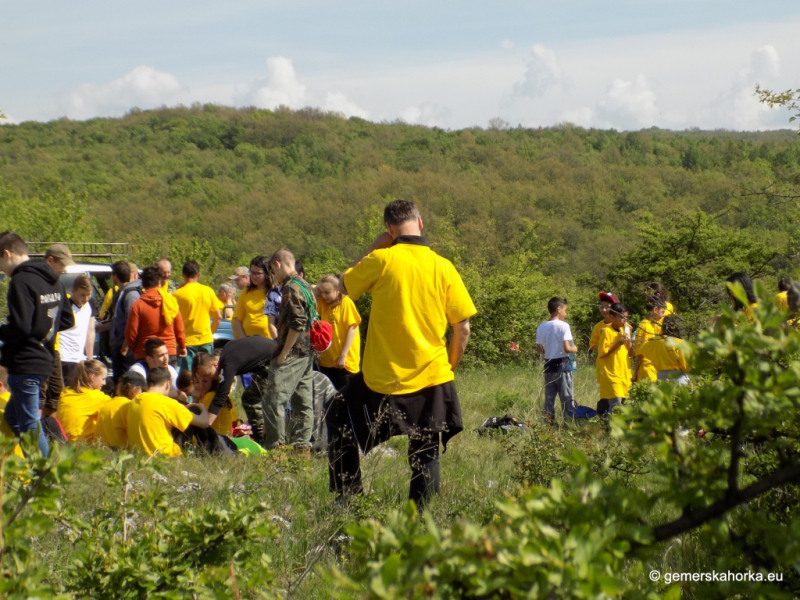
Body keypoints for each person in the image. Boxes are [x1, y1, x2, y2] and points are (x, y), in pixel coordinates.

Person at [327, 199, 476, 509]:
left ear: (389, 230)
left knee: (338, 411)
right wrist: (448, 368)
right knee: (426, 451)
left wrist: (374, 245)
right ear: (420, 223)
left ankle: (348, 496)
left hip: (382, 379)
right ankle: (420, 518)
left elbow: (340, 286)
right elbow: (462, 328)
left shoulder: (382, 259)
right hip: (432, 374)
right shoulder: (443, 266)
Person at [0, 231, 74, 455]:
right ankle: (23, 463)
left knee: (30, 423)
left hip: (26, 362)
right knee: (14, 416)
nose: (2, 270)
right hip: (45, 359)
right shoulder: (54, 280)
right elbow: (67, 319)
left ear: (7, 254)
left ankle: (45, 474)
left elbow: (21, 326)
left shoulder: (21, 281)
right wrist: (44, 329)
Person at [263, 248, 316, 451]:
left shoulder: (291, 287)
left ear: (278, 264)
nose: (273, 277)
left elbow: (298, 322)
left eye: (272, 271)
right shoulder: (305, 285)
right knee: (303, 402)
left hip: (293, 352)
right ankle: (301, 450)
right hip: (307, 351)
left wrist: (284, 352)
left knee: (273, 399)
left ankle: (276, 450)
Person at [127, 366, 209, 457]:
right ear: (167, 384)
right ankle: (209, 451)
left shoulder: (134, 401)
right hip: (166, 455)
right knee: (195, 410)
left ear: (147, 385)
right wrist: (200, 406)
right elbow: (204, 422)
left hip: (140, 455)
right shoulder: (167, 403)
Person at [208, 336, 278, 443]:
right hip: (273, 352)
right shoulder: (227, 349)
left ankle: (262, 440)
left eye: (207, 376)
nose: (210, 379)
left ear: (214, 364)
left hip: (275, 359)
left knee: (250, 400)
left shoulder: (228, 364)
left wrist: (206, 425)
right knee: (260, 397)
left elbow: (221, 397)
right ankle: (265, 434)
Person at [40, 243, 77, 412]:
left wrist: (52, 328)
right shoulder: (35, 283)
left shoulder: (58, 285)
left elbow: (68, 319)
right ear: (50, 260)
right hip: (38, 348)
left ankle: (50, 434)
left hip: (52, 348)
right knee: (40, 394)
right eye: (61, 265)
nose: (63, 270)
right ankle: (35, 435)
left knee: (55, 394)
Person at [125, 266, 187, 366]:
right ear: (159, 282)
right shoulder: (170, 301)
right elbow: (179, 329)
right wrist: (182, 346)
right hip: (168, 351)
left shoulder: (138, 305)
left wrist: (137, 350)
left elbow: (130, 334)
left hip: (145, 353)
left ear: (143, 284)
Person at [173, 260, 223, 371]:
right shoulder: (207, 291)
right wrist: (210, 332)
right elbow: (218, 317)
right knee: (206, 373)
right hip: (205, 339)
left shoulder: (178, 294)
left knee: (188, 375)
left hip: (187, 341)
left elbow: (173, 319)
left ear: (183, 275)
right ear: (198, 274)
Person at [535, 297, 580, 422]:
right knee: (567, 398)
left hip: (549, 366)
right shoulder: (564, 326)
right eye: (565, 310)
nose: (566, 313)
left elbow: (539, 350)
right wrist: (574, 349)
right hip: (562, 365)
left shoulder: (541, 326)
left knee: (549, 399)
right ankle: (569, 423)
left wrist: (548, 349)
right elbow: (567, 348)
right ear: (558, 309)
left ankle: (548, 424)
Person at [315, 274, 361, 391]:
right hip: (327, 360)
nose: (324, 296)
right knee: (329, 399)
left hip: (345, 361)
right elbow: (312, 288)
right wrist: (318, 290)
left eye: (327, 292)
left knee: (346, 398)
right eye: (322, 292)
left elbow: (352, 329)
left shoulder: (346, 303)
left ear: (337, 290)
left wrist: (343, 356)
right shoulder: (323, 303)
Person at [57, 359, 111, 443]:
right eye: (103, 379)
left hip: (62, 440)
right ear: (92, 377)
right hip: (82, 443)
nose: (105, 383)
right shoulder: (98, 397)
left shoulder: (65, 392)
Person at [59, 275, 97, 390]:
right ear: (73, 291)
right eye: (82, 295)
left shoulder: (90, 304)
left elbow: (90, 331)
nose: (86, 298)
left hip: (79, 359)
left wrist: (90, 358)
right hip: (63, 357)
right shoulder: (65, 306)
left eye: (88, 294)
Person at [595, 302, 632, 417]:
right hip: (611, 373)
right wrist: (619, 343)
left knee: (626, 403)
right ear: (612, 317)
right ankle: (613, 431)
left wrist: (628, 338)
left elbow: (631, 353)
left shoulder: (624, 331)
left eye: (626, 317)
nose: (624, 320)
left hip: (623, 373)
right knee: (616, 405)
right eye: (622, 317)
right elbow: (602, 352)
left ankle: (622, 430)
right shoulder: (606, 331)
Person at [110, 261, 141, 385]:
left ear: (115, 277)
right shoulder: (121, 292)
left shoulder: (131, 294)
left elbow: (133, 321)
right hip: (119, 345)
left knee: (126, 384)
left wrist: (125, 346)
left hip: (125, 349)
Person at [191, 352, 238, 436]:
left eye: (205, 381)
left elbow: (197, 420)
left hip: (216, 442)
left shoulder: (211, 395)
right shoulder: (209, 394)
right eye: (197, 381)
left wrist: (195, 400)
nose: (201, 386)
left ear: (212, 379)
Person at [96, 371, 144, 449]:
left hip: (102, 451)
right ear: (134, 389)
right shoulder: (129, 406)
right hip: (120, 453)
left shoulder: (107, 404)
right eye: (142, 390)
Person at [637, 316, 690, 385]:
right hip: (677, 375)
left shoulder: (654, 341)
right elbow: (687, 363)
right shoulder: (680, 342)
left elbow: (641, 350)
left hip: (661, 375)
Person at [232, 256, 272, 339]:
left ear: (267, 273)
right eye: (252, 273)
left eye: (258, 273)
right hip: (247, 340)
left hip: (268, 341)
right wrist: (243, 340)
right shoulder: (246, 291)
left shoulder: (273, 292)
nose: (254, 276)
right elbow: (237, 320)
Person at [633, 294, 666, 383]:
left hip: (649, 369)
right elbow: (640, 354)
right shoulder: (647, 327)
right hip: (647, 370)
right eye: (662, 312)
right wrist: (635, 373)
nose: (663, 316)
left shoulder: (645, 324)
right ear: (655, 310)